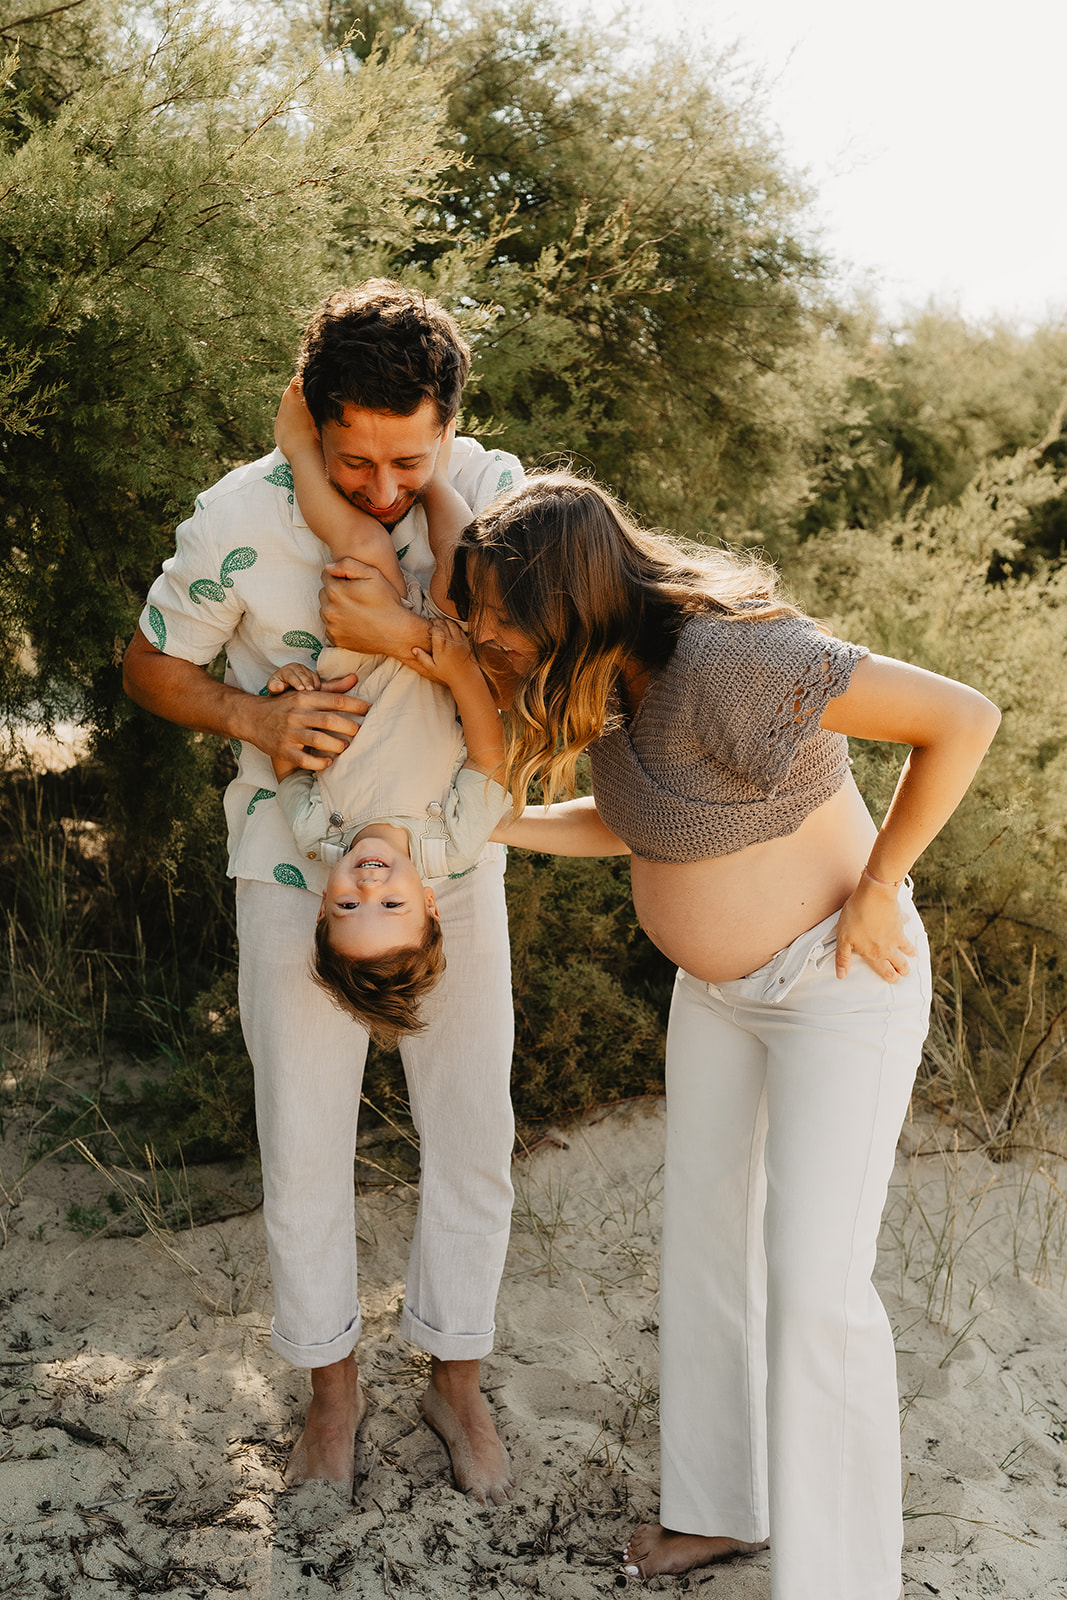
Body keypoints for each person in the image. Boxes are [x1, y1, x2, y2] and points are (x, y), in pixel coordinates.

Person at [441, 471, 1000, 1600]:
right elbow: (640, 817)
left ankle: (840, 1585)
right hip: (717, 1002)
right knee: (705, 1256)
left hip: (836, 986)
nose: (482, 632)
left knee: (814, 1286)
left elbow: (961, 718)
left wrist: (883, 881)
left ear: (573, 602)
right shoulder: (621, 679)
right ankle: (716, 1509)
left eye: (498, 613)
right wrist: (486, 820)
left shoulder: (731, 659)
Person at [123, 280, 528, 1504]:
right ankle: (330, 1395)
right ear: (314, 421)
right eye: (350, 459)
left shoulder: (503, 498)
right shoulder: (240, 513)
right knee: (302, 1145)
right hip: (289, 866)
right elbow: (151, 665)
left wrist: (426, 645)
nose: (382, 487)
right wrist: (249, 712)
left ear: (451, 426)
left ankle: (455, 1379)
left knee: (472, 1132)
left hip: (453, 870)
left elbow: (533, 678)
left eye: (409, 458)